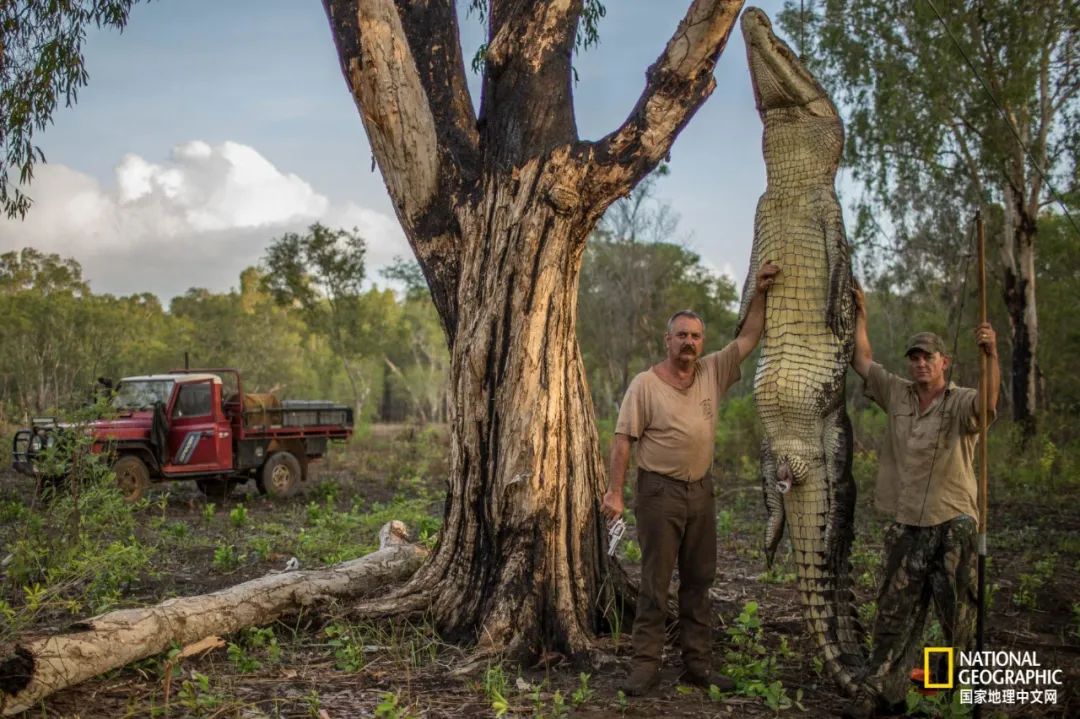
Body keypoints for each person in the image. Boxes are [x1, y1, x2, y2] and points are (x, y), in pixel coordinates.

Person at [602, 261, 780, 695]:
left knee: (699, 582)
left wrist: (758, 292)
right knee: (655, 584)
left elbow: (749, 337)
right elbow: (623, 439)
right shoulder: (645, 384)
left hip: (701, 492)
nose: (689, 342)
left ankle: (698, 665)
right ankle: (645, 668)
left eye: (696, 336)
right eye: (681, 335)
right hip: (658, 493)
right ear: (668, 340)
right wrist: (614, 492)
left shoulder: (711, 372)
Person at [844, 287, 999, 718]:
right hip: (907, 523)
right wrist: (862, 314)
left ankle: (962, 698)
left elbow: (988, 405)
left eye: (928, 357)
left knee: (957, 619)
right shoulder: (897, 393)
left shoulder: (961, 399)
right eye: (915, 357)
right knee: (893, 616)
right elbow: (862, 361)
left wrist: (991, 354)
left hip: (954, 522)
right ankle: (884, 693)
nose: (920, 363)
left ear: (944, 362)